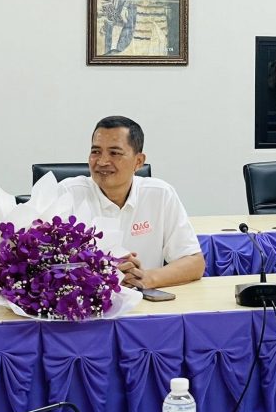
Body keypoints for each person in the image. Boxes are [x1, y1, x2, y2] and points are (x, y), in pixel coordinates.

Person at [38, 115, 204, 289]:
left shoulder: (160, 194)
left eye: (114, 153)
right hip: (84, 301)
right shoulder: (67, 194)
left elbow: (194, 262)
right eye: (96, 152)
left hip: (143, 301)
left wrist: (146, 278)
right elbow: (40, 265)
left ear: (138, 161)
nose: (102, 161)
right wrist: (103, 274)